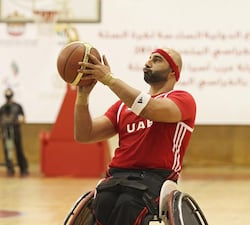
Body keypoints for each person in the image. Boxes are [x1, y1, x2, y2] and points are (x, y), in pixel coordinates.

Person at [74, 48, 196, 225]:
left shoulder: (182, 99)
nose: (148, 63)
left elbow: (151, 109)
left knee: (128, 204)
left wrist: (109, 79)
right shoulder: (123, 107)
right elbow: (84, 134)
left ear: (173, 71)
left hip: (154, 178)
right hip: (117, 177)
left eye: (157, 60)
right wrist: (82, 96)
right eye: (148, 59)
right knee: (103, 201)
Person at [0, 88, 29, 177]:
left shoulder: (17, 106)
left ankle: (23, 168)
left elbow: (23, 117)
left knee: (19, 149)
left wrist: (19, 122)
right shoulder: (3, 108)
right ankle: (10, 168)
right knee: (7, 150)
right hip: (5, 131)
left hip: (15, 130)